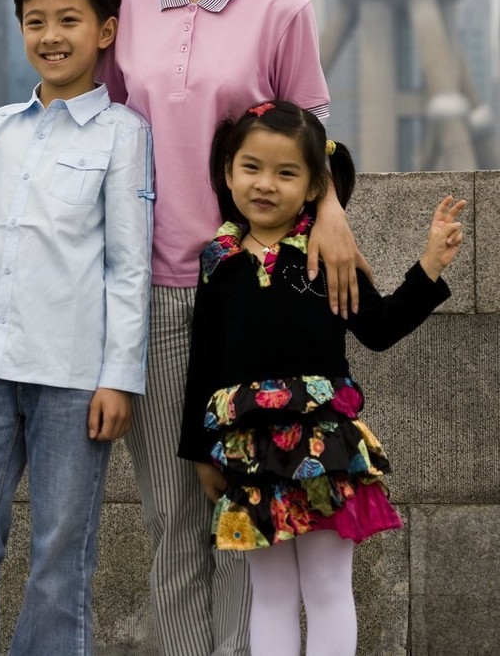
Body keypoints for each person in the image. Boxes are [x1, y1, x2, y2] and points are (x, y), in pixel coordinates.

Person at [0, 0, 364, 656]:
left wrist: (330, 213)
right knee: (175, 529)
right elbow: (64, 99)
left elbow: (310, 132)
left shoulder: (282, 5)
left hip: (245, 300)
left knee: (246, 526)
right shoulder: (127, 12)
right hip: (142, 300)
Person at [0, 0, 154, 655]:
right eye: (35, 22)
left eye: (68, 21)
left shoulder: (125, 134)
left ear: (106, 31)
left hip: (73, 377)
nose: (51, 35)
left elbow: (128, 264)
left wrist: (120, 377)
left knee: (61, 560)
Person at [179, 99, 465, 656]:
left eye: (286, 173)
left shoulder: (326, 254)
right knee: (270, 593)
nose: (265, 184)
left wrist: (428, 266)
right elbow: (204, 363)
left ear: (314, 186)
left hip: (325, 448)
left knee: (329, 588)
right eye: (251, 167)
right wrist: (199, 452)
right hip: (249, 454)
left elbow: (379, 329)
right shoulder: (218, 261)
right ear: (227, 172)